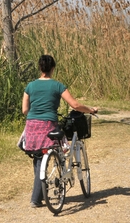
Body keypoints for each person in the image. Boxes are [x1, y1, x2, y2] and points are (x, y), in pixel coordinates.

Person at [22, 54, 98, 208]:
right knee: (59, 148)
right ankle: (37, 197)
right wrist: (90, 109)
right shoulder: (57, 85)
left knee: (38, 158)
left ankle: (39, 195)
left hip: (31, 126)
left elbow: (25, 110)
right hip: (48, 125)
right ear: (53, 68)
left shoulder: (30, 86)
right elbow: (75, 105)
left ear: (39, 68)